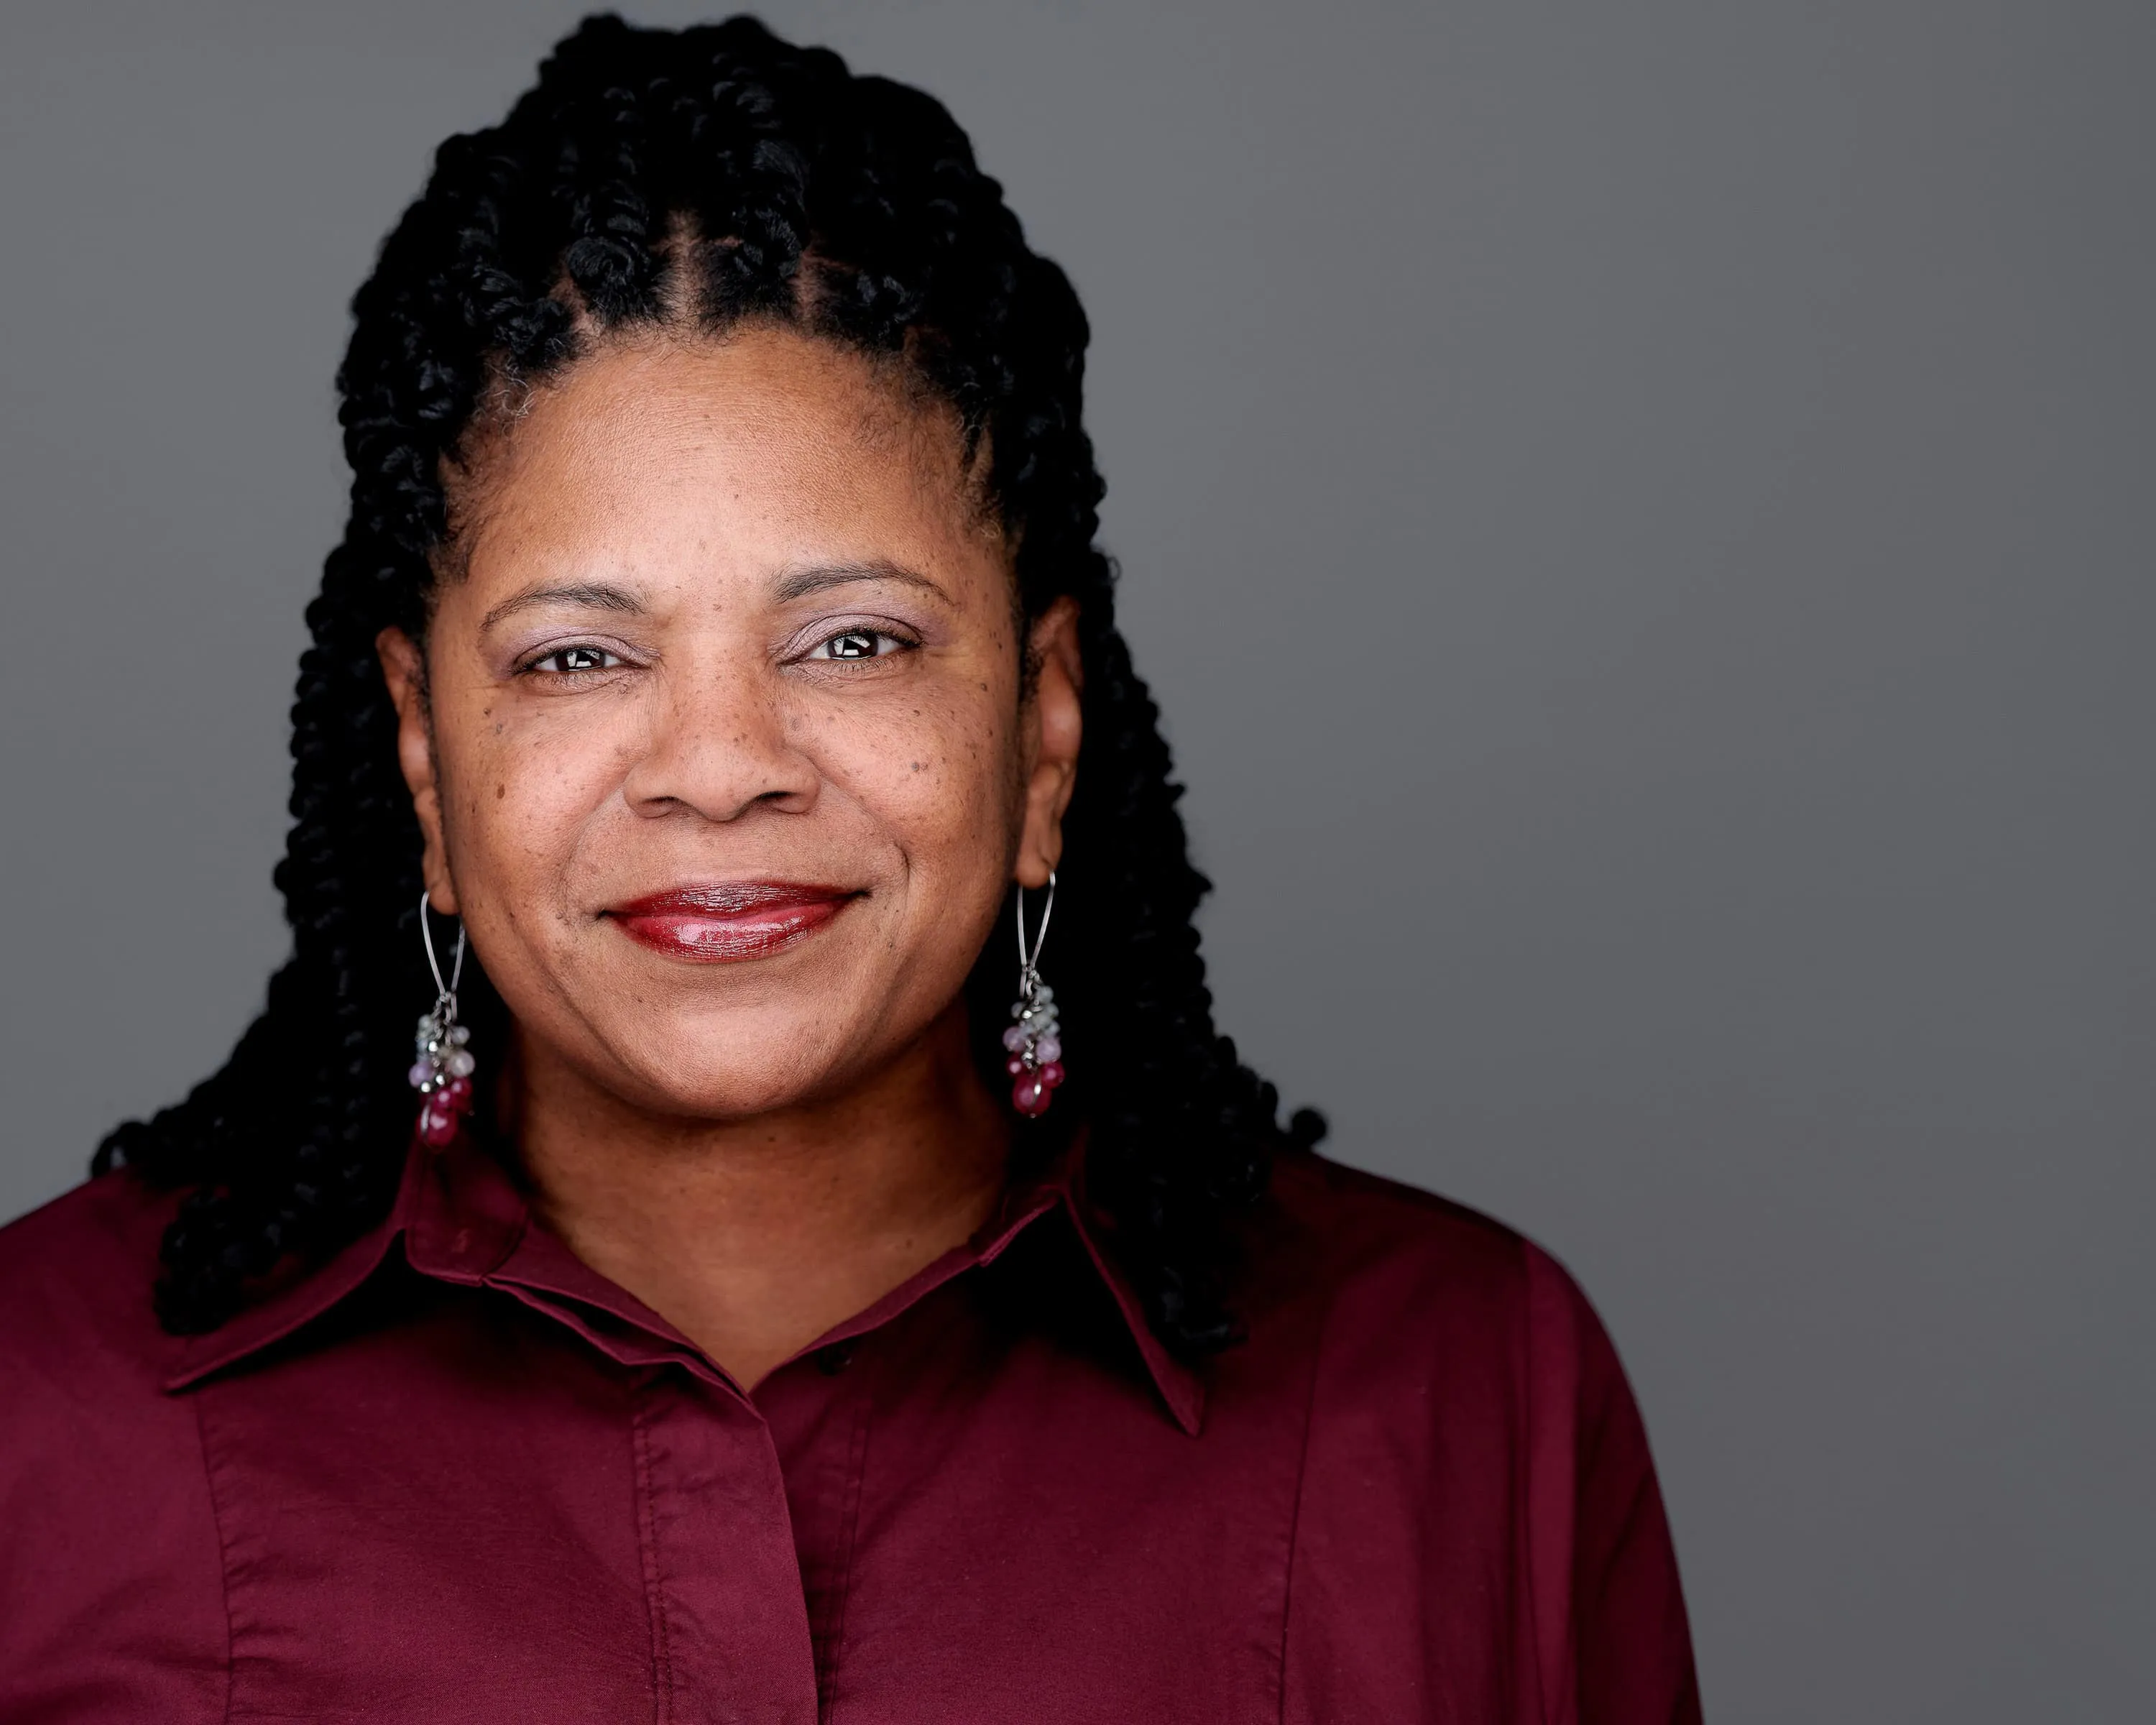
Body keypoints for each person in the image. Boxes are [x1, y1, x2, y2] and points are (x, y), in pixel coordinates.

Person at [0, 16, 1700, 1721]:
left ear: (1043, 728)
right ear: (427, 761)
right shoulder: (42, 1416)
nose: (723, 768)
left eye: (855, 640)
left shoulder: (1469, 1396)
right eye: (581, 658)